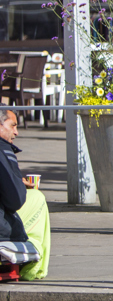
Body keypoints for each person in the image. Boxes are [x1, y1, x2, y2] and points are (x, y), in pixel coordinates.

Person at [0, 110, 50, 280]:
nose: (16, 132)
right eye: (12, 126)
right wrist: (18, 185)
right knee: (37, 198)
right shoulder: (3, 150)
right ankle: (32, 267)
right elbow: (15, 201)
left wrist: (16, 180)